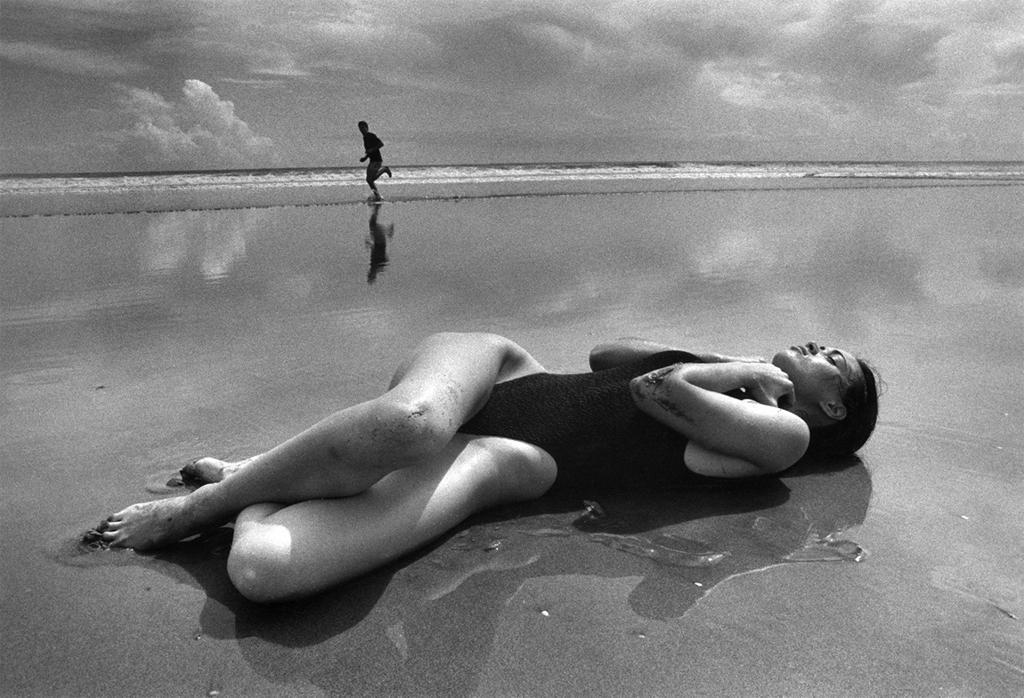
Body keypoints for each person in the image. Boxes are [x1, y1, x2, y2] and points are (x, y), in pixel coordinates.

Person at [89, 332, 879, 603]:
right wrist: (729, 359)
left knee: (264, 570)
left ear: (833, 410)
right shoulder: (735, 375)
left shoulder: (786, 440)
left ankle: (260, 479)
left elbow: (653, 389)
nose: (816, 345)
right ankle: (208, 503)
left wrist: (735, 366)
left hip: (508, 457)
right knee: (412, 421)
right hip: (498, 370)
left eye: (832, 359)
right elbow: (607, 356)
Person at [358, 120, 392, 201]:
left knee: (370, 179)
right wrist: (365, 158)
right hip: (372, 161)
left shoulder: (371, 135)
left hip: (377, 160)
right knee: (368, 180)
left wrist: (372, 150)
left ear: (367, 128)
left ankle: (384, 169)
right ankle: (377, 196)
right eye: (360, 128)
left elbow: (381, 144)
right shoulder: (365, 138)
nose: (361, 130)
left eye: (363, 128)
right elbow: (369, 151)